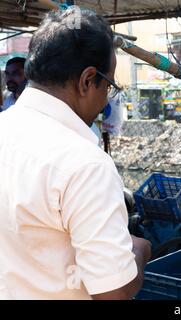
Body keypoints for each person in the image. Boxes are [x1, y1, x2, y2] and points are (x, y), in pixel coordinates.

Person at [0, 7, 151, 300]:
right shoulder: (84, 164)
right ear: (87, 80)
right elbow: (113, 291)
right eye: (108, 85)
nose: (106, 97)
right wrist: (139, 252)